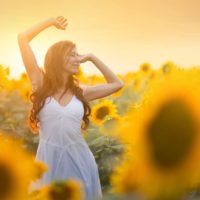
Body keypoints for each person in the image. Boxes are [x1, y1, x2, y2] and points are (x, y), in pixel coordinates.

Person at [18, 16, 124, 200]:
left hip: (79, 160)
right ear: (58, 59)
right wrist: (50, 21)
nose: (78, 59)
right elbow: (22, 37)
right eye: (73, 54)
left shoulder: (82, 92)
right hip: (48, 161)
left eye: (78, 54)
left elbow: (117, 83)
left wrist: (91, 57)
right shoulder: (39, 83)